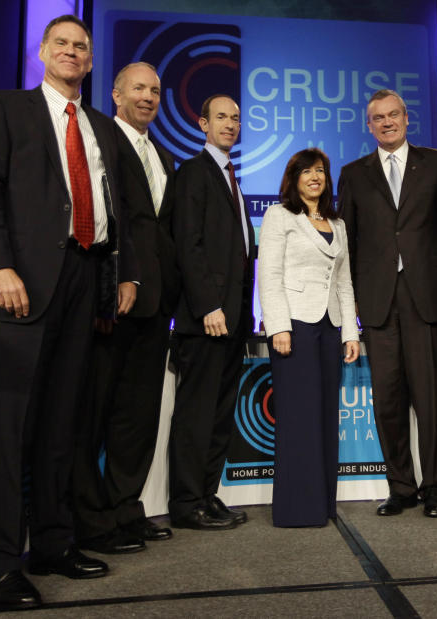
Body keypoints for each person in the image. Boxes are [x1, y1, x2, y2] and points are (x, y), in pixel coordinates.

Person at [0, 15, 137, 609]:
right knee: (13, 428)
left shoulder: (99, 127)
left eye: (81, 47)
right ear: (43, 52)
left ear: (91, 62)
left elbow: (116, 210)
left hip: (86, 280)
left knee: (64, 423)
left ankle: (55, 543)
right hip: (25, 283)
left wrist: (121, 277)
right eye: (61, 43)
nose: (71, 52)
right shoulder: (5, 107)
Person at [338, 89, 437, 518]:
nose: (387, 122)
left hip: (427, 297)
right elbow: (346, 243)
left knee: (429, 400)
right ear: (368, 125)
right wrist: (348, 300)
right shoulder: (353, 174)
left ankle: (435, 487)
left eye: (394, 115)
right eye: (378, 117)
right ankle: (400, 487)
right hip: (377, 301)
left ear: (407, 119)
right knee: (387, 401)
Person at [71, 62, 176, 554]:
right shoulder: (100, 140)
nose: (148, 97)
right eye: (138, 88)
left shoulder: (161, 154)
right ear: (116, 94)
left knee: (137, 416)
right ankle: (89, 522)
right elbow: (107, 220)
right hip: (113, 299)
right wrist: (118, 280)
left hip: (156, 307)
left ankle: (125, 509)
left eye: (155, 90)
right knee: (97, 413)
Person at [258, 148, 361, 527]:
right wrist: (278, 326)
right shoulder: (279, 216)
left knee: (324, 416)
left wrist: (350, 330)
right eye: (306, 171)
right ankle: (295, 508)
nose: (314, 177)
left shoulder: (338, 223)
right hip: (296, 327)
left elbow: (344, 282)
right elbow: (268, 275)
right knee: (298, 417)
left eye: (320, 171)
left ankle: (321, 504)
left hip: (329, 327)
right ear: (294, 177)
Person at [168, 95, 255, 530]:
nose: (230, 124)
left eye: (236, 118)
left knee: (221, 412)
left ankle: (207, 493)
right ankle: (186, 503)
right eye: (221, 117)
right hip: (207, 318)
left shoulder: (232, 178)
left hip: (234, 317)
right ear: (203, 123)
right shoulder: (193, 173)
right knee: (197, 413)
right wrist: (208, 306)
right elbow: (188, 245)